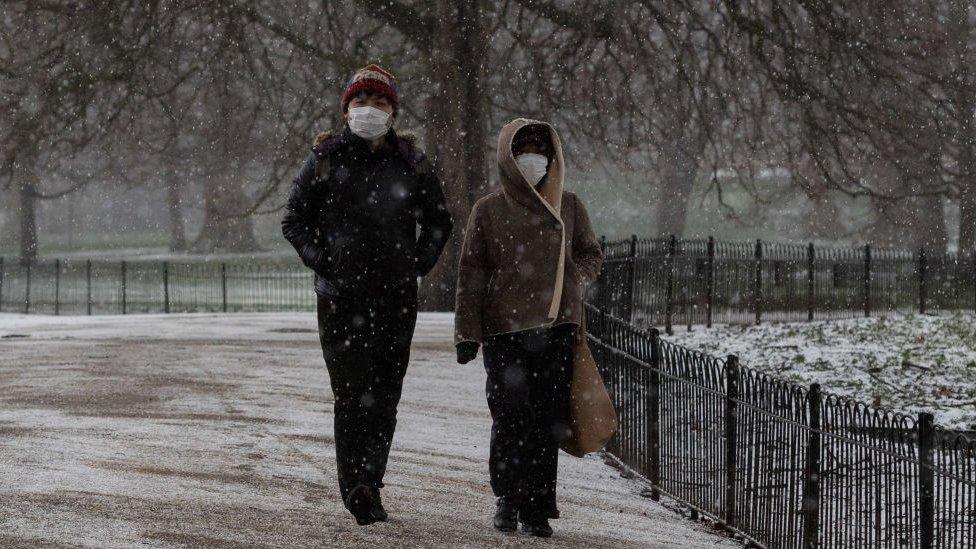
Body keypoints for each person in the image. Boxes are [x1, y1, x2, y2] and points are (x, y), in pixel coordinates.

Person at [282, 63, 453, 526]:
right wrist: (324, 259)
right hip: (340, 300)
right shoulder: (324, 159)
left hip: (395, 300)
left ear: (393, 111)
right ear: (346, 109)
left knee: (385, 395)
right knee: (351, 394)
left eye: (379, 102)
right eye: (361, 101)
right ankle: (355, 486)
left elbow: (439, 221)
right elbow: (294, 221)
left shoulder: (412, 164)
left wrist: (416, 264)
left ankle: (372, 479)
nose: (369, 110)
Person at [454, 118, 604, 537]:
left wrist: (572, 277)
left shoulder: (569, 206)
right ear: (508, 156)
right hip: (505, 332)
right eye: (523, 149)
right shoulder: (488, 210)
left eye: (540, 148)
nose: (532, 157)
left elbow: (592, 253)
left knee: (546, 419)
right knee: (508, 416)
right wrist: (467, 332)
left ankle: (538, 505)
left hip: (555, 329)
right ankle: (507, 496)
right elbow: (472, 274)